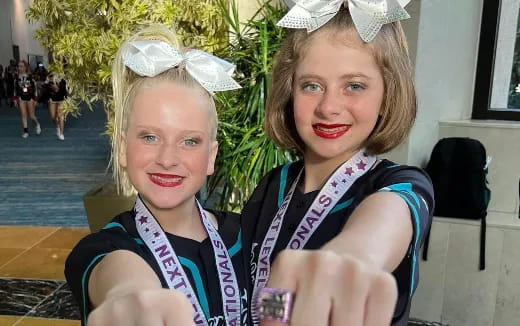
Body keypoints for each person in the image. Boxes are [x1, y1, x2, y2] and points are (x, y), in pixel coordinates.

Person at [242, 2, 434, 326]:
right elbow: (264, 293)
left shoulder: (401, 184)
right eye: (312, 85)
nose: (329, 107)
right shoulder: (274, 185)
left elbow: (382, 227)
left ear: (386, 96)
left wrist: (353, 257)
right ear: (290, 93)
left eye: (354, 86)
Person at [65, 25, 247, 326]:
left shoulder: (246, 236)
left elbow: (274, 300)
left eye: (190, 141)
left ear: (211, 156)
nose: (167, 159)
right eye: (149, 137)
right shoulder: (105, 249)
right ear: (123, 148)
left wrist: (282, 311)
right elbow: (118, 281)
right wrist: (129, 294)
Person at [14, 60, 41, 138]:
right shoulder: (16, 79)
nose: (20, 68)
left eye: (21, 66)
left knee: (32, 116)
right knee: (23, 115)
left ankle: (37, 124)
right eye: (18, 66)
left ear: (25, 67)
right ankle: (26, 131)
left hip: (30, 98)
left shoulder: (30, 78)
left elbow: (35, 89)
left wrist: (36, 99)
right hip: (21, 98)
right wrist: (15, 99)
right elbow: (15, 90)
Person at [45, 74, 67, 140]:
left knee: (61, 116)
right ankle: (57, 126)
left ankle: (61, 133)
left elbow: (65, 89)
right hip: (52, 99)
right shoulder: (49, 76)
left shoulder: (63, 77)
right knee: (53, 117)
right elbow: (45, 87)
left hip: (61, 99)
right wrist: (47, 82)